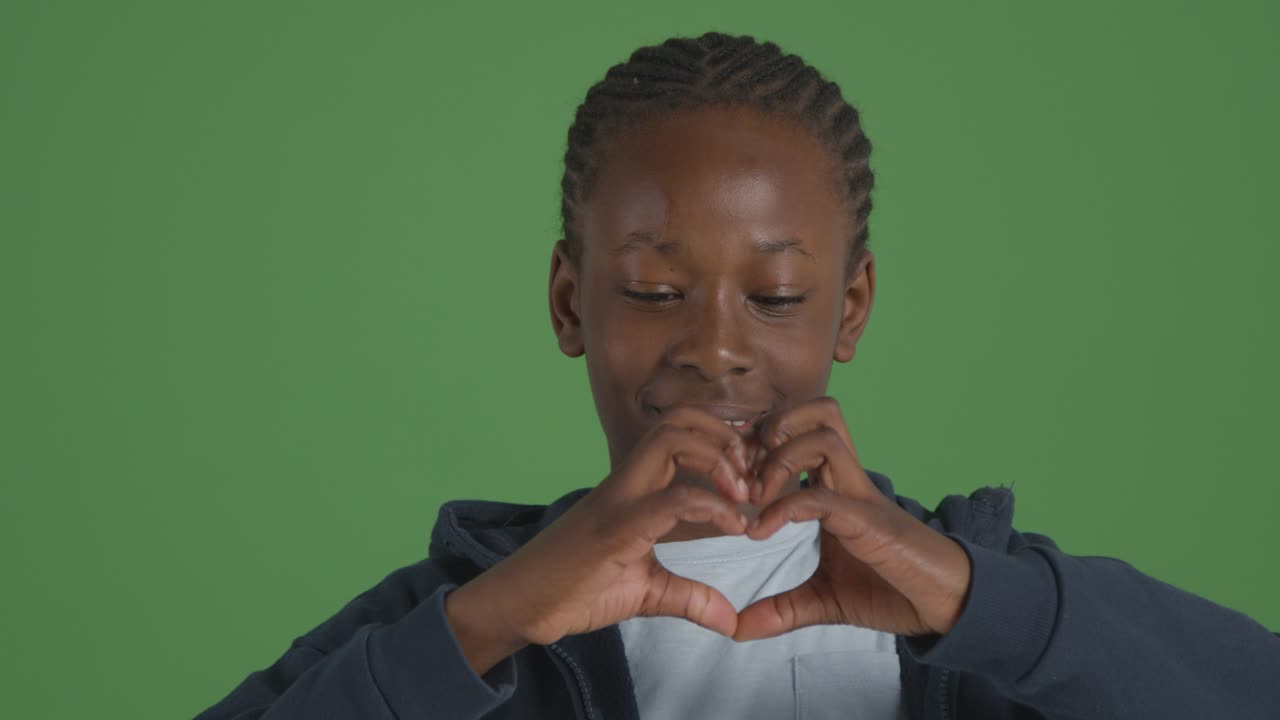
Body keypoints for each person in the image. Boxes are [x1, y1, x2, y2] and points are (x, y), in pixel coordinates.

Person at [193, 32, 1280, 720]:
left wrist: (972, 598)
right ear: (569, 303)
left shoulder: (984, 598)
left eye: (776, 296)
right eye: (654, 291)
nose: (713, 348)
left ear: (849, 309)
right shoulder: (460, 613)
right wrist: (487, 624)